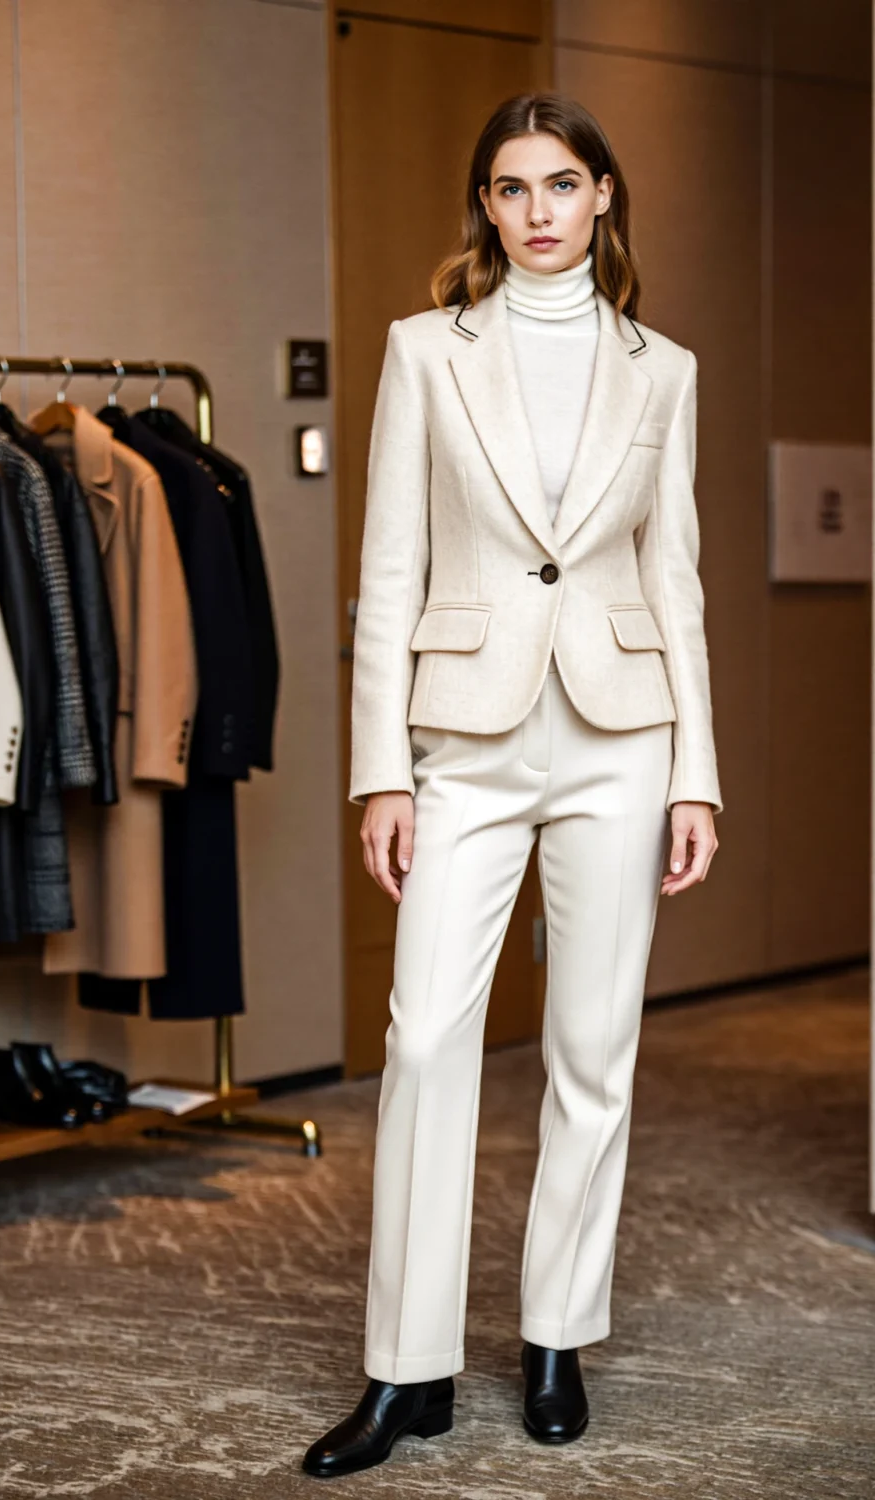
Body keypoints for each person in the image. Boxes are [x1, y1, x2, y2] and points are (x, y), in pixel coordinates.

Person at [303, 91, 722, 1479]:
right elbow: (388, 575)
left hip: (621, 737)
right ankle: (405, 1370)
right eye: (510, 187)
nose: (538, 210)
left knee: (592, 1050)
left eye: (561, 183)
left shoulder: (665, 370)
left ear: (603, 195)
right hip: (465, 743)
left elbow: (676, 581)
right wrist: (382, 774)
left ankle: (556, 1339)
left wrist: (696, 778)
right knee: (426, 1042)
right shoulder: (426, 351)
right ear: (485, 206)